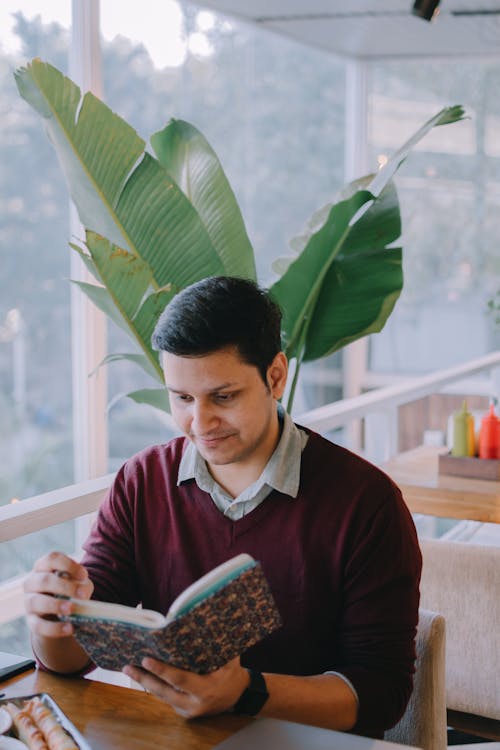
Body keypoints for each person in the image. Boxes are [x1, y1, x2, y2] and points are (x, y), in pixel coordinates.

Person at [24, 276, 421, 738]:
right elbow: (73, 660)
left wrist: (246, 692)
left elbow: (380, 695)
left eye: (224, 396)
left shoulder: (366, 503)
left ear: (275, 376)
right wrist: (52, 623)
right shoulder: (141, 481)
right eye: (182, 398)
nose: (201, 422)